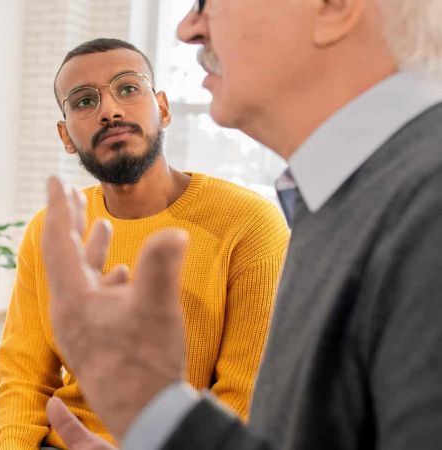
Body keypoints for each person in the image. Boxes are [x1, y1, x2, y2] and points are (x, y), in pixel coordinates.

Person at [42, 0, 442, 449]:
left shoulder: (427, 208)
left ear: (333, 7)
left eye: (206, 3)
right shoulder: (339, 198)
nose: (187, 29)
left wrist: (154, 411)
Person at [0, 38, 289, 449]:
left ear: (162, 108)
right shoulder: (52, 229)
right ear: (66, 136)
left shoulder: (249, 224)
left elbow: (245, 399)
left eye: (128, 88)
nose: (109, 110)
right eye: (83, 101)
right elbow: (22, 379)